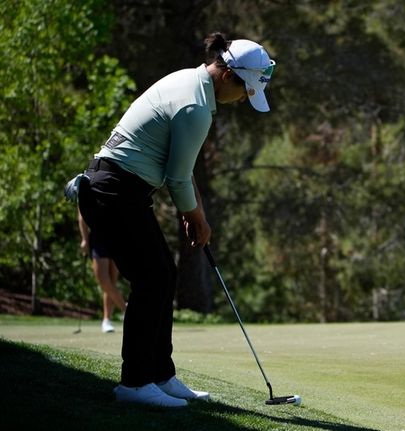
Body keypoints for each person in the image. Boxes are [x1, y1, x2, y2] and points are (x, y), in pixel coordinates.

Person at [76, 32, 275, 408]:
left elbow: (181, 168)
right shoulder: (195, 105)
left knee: (162, 274)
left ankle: (160, 375)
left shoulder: (191, 84)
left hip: (119, 191)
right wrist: (197, 218)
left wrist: (195, 210)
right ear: (228, 76)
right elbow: (178, 177)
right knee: (153, 277)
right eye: (245, 93)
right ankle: (135, 383)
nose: (240, 102)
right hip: (112, 191)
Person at [78, 210, 127, 333]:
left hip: (117, 235)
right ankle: (126, 309)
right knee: (103, 280)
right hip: (98, 236)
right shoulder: (84, 189)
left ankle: (106, 320)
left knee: (112, 281)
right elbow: (82, 215)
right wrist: (84, 239)